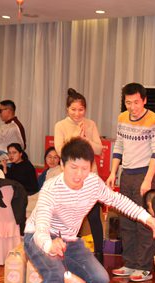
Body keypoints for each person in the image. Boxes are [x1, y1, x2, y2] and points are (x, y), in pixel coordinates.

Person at [17, 137, 155, 283]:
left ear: (91, 167)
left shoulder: (93, 183)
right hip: (38, 236)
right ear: (62, 165)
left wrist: (146, 217)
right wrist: (49, 244)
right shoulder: (52, 188)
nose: (78, 175)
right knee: (54, 275)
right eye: (73, 167)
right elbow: (42, 223)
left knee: (99, 278)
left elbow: (117, 200)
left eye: (84, 168)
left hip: (69, 239)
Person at [106, 83, 155, 282]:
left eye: (136, 102)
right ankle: (130, 263)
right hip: (127, 174)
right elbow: (119, 146)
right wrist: (113, 172)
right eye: (128, 102)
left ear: (144, 100)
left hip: (146, 174)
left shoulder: (154, 120)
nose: (133, 107)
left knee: (144, 222)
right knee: (126, 221)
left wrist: (148, 180)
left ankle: (143, 267)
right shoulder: (122, 118)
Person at [54, 88, 104, 262]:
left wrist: (86, 140)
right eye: (73, 109)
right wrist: (76, 137)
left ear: (85, 109)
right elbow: (61, 151)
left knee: (94, 216)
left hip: (89, 177)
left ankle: (99, 255)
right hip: (69, 180)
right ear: (67, 109)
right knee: (69, 218)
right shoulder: (60, 126)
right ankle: (67, 254)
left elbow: (99, 149)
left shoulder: (90, 124)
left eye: (81, 110)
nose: (77, 113)